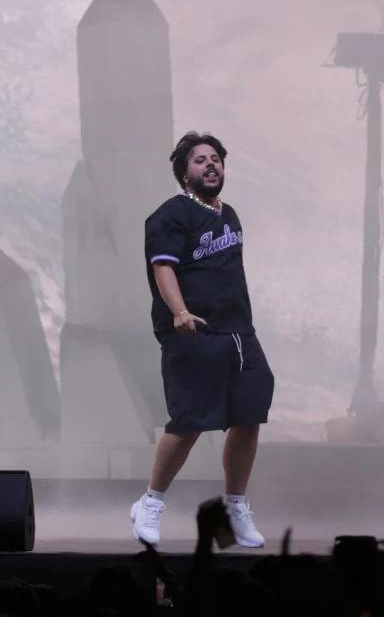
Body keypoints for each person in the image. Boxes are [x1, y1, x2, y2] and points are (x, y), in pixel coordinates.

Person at [130, 131, 273, 549]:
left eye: (216, 158)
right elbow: (163, 268)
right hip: (192, 331)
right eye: (200, 160)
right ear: (184, 173)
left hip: (238, 333)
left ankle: (234, 507)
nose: (211, 164)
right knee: (189, 422)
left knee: (248, 415)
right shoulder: (170, 215)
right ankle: (150, 502)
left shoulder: (230, 215)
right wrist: (179, 311)